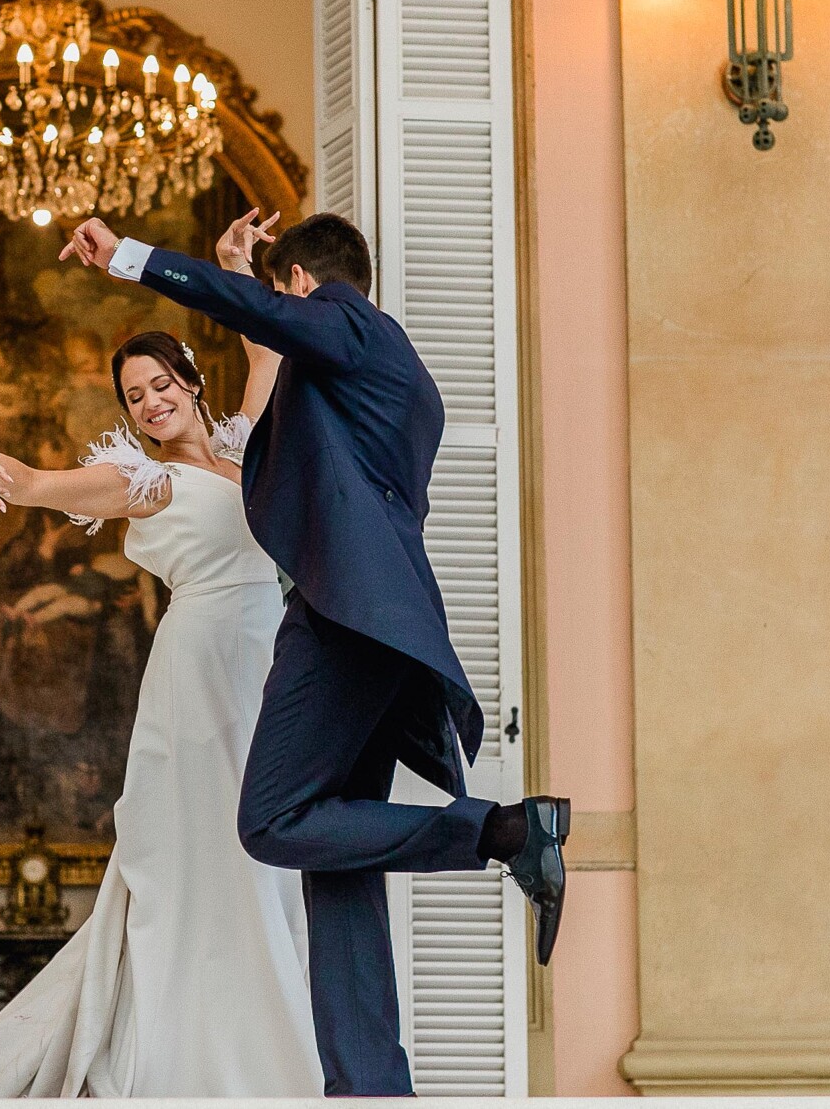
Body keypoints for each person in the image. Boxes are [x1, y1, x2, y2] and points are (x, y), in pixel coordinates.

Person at [50, 208, 571, 1097]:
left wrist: (128, 258)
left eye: (281, 295)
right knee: (339, 857)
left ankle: (505, 829)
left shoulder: (345, 323)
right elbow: (270, 356)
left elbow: (267, 325)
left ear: (300, 284)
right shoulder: (389, 372)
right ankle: (370, 1086)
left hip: (340, 620)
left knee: (271, 820)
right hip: (382, 623)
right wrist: (241, 275)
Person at [0, 312, 323, 1097]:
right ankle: (192, 1065)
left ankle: (268, 1054)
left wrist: (239, 271)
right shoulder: (143, 480)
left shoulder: (240, 450)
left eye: (161, 384)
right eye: (134, 396)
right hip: (199, 672)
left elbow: (265, 355)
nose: (151, 402)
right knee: (208, 854)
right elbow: (33, 484)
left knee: (271, 856)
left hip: (268, 664)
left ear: (191, 382)